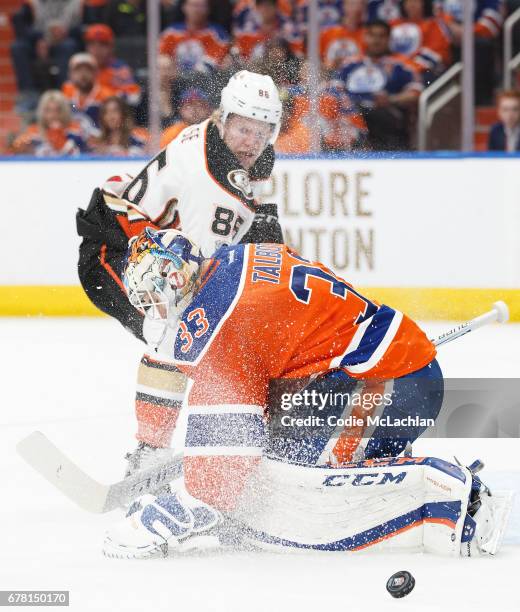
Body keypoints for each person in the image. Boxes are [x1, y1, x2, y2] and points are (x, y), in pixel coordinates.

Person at [102, 227, 503, 560]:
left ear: (176, 275)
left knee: (291, 481)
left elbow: (219, 477)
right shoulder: (238, 257)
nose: (153, 308)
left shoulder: (221, 326)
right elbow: (285, 342)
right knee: (274, 451)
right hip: (379, 371)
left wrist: (174, 512)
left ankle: (453, 499)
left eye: (153, 291)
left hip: (390, 384)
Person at [76, 70, 284, 479]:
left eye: (262, 132)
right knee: (178, 328)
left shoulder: (227, 145)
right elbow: (207, 270)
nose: (252, 142)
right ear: (224, 118)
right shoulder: (214, 183)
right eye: (244, 128)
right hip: (111, 252)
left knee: (210, 313)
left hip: (147, 244)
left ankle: (245, 432)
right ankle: (148, 452)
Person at [333, 19, 423, 150]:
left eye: (381, 36)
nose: (376, 40)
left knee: (372, 115)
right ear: (365, 37)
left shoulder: (401, 64)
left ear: (389, 39)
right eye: (372, 35)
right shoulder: (350, 64)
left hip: (386, 114)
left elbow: (416, 93)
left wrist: (392, 99)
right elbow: (334, 90)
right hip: (351, 113)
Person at [158, 0, 230, 117]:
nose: (197, 9)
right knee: (162, 64)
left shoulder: (217, 32)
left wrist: (185, 74)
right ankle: (167, 115)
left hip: (206, 79)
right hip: (176, 79)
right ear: (184, 7)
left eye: (201, 6)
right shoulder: (172, 31)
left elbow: (209, 64)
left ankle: (215, 115)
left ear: (208, 9)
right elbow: (162, 55)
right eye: (193, 5)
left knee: (227, 63)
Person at [12, 89, 89, 156]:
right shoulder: (32, 132)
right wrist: (19, 147)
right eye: (48, 110)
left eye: (58, 110)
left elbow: (79, 157)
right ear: (42, 112)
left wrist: (57, 133)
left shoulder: (75, 131)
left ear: (65, 111)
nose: (53, 115)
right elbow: (16, 152)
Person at [389, 0, 451, 81]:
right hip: (395, 70)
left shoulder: (433, 25)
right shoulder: (393, 25)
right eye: (408, 2)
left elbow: (437, 54)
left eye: (416, 1)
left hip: (424, 72)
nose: (412, 5)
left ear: (424, 4)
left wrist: (409, 66)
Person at [84, 24, 142, 108]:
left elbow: (134, 98)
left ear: (111, 47)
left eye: (102, 44)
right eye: (92, 44)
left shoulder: (120, 69)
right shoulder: (81, 67)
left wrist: (106, 94)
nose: (97, 49)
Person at [62, 52, 114, 129]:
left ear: (96, 73)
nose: (83, 74)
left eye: (88, 69)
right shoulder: (65, 92)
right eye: (78, 70)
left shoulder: (107, 95)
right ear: (70, 74)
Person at [320, 0, 367, 70]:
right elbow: (316, 62)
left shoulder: (368, 35)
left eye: (361, 4)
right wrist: (331, 65)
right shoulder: (327, 33)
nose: (357, 8)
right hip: (329, 77)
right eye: (353, 4)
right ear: (344, 6)